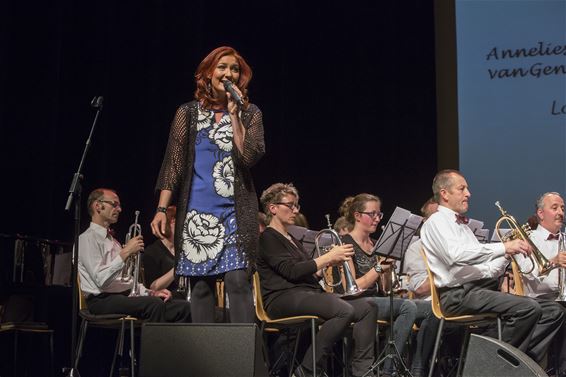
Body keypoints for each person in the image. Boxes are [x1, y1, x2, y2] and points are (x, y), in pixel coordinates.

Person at [151, 46, 265, 323]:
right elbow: (174, 164)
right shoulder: (187, 113)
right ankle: (207, 362)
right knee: (200, 288)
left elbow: (249, 156)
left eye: (235, 69)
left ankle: (242, 359)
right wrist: (162, 208)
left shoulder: (250, 113)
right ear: (208, 72)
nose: (229, 74)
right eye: (222, 67)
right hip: (196, 214)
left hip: (235, 213)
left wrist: (234, 115)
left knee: (238, 281)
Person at [420, 169, 564, 369]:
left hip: (477, 289)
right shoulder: (436, 222)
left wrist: (507, 255)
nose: (468, 193)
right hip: (455, 295)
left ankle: (512, 362)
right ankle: (486, 365)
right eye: (462, 189)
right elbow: (457, 255)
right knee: (527, 308)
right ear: (444, 193)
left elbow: (487, 270)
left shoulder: (462, 227)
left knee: (553, 311)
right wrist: (503, 247)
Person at [257, 183, 377, 377]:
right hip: (281, 298)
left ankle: (362, 371)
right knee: (343, 310)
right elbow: (292, 271)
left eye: (297, 205)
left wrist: (326, 266)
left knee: (368, 307)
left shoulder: (292, 239)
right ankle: (307, 371)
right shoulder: (267, 238)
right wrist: (327, 258)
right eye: (290, 205)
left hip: (304, 293)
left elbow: (306, 274)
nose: (295, 210)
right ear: (273, 208)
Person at [339, 194, 435, 377]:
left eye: (379, 214)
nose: (376, 218)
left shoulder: (375, 245)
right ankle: (388, 370)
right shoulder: (346, 244)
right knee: (407, 307)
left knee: (433, 309)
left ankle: (417, 369)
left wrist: (387, 270)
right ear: (357, 216)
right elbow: (351, 286)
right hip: (358, 301)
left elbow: (385, 288)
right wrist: (378, 267)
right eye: (372, 214)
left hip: (377, 299)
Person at [78, 188, 191, 322]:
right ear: (98, 206)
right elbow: (100, 280)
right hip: (101, 300)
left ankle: (173, 343)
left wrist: (151, 292)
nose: (119, 209)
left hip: (123, 296)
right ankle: (154, 343)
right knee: (154, 305)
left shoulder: (113, 242)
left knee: (184, 308)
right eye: (114, 204)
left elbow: (126, 280)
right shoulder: (86, 239)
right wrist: (126, 252)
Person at [518, 192, 566, 376]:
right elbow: (526, 273)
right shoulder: (528, 240)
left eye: (562, 208)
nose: (560, 212)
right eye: (554, 208)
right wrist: (553, 262)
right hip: (538, 301)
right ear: (540, 213)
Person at [143, 205, 187, 301]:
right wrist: (177, 268)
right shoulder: (152, 252)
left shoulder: (184, 249)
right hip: (168, 302)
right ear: (172, 222)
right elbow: (153, 287)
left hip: (188, 300)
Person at [404, 197, 438, 300]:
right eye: (435, 217)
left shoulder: (454, 241)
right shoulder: (417, 248)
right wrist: (453, 273)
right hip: (433, 302)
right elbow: (420, 288)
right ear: (425, 221)